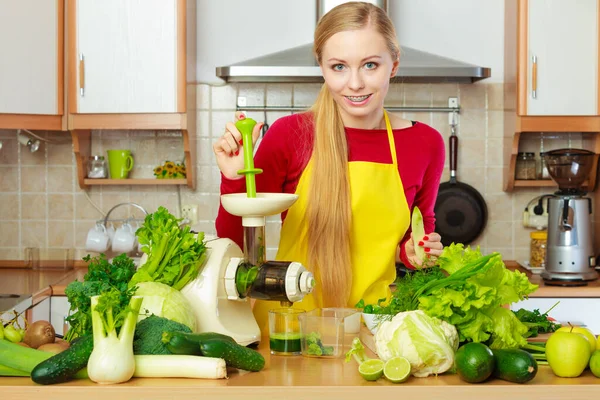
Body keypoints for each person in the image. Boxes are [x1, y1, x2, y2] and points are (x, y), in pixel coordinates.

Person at [213, 1, 445, 333]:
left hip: (374, 328)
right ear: (321, 66)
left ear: (393, 65)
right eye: (339, 67)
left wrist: (416, 252)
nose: (355, 83)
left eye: (369, 65)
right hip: (287, 329)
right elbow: (233, 248)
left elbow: (415, 241)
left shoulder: (425, 143)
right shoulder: (290, 135)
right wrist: (235, 179)